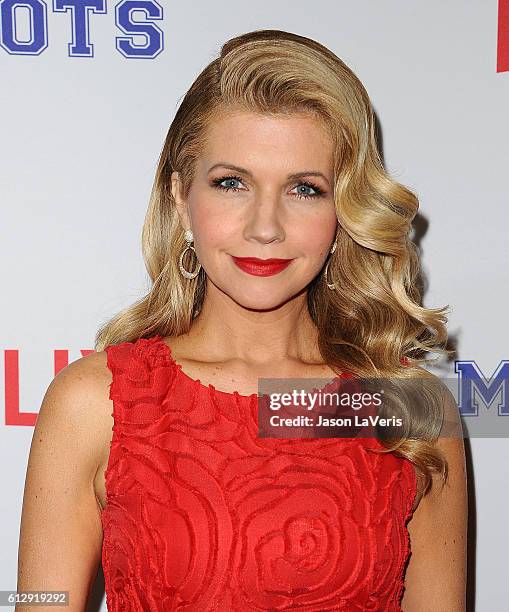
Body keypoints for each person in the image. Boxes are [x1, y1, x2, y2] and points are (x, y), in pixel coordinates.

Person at [16, 29, 467, 611]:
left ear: (345, 211)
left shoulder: (408, 407)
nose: (265, 226)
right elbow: (39, 603)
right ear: (181, 197)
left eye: (305, 189)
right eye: (232, 183)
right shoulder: (94, 402)